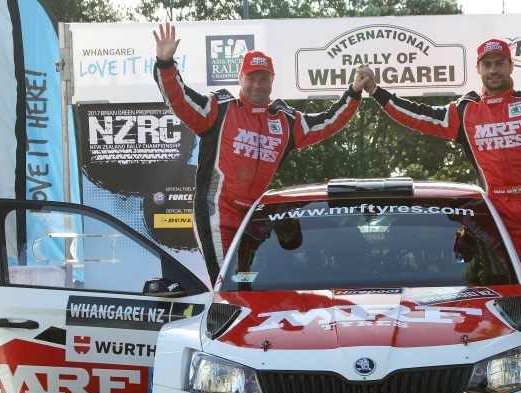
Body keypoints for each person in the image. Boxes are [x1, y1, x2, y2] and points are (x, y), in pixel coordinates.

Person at [359, 18, 521, 266]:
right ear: (478, 69)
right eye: (487, 64)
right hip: (499, 212)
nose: (493, 69)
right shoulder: (464, 112)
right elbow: (417, 115)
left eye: (499, 63)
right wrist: (376, 91)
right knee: (503, 285)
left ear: (511, 66)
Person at [152, 22, 369, 284]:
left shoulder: (286, 122)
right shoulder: (218, 110)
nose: (257, 84)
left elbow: (328, 122)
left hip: (255, 218)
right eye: (251, 78)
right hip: (217, 214)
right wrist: (165, 64)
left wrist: (354, 92)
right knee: (228, 285)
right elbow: (179, 99)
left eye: (263, 78)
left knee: (250, 283)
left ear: (272, 81)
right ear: (240, 79)